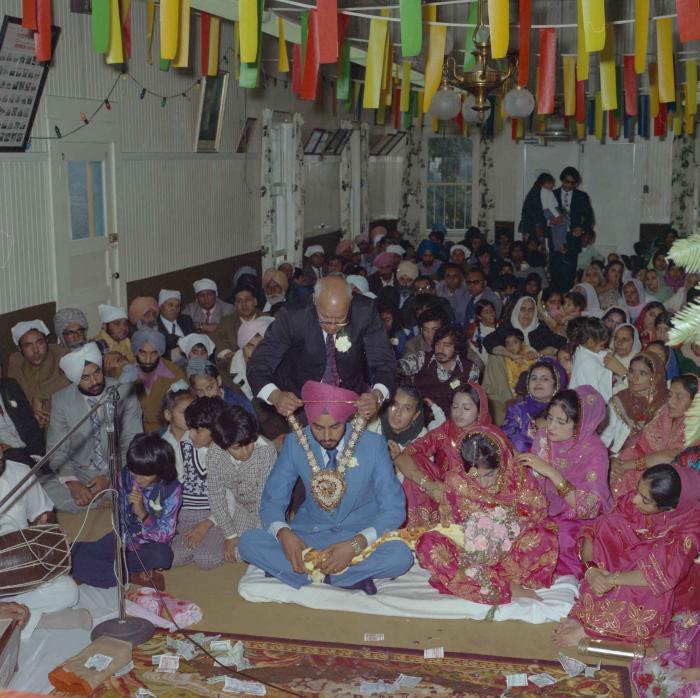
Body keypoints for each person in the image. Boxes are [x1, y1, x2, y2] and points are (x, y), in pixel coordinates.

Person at [238, 381, 414, 593]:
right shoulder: (296, 443)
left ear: (347, 419)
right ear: (309, 422)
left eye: (335, 426)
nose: (327, 436)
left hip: (358, 536)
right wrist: (285, 535)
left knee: (400, 556)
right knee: (248, 541)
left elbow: (394, 509)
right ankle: (345, 578)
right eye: (318, 428)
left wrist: (355, 545)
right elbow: (272, 500)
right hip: (310, 535)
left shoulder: (373, 444)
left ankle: (308, 574)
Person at [554, 464, 700, 649]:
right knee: (611, 527)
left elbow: (660, 575)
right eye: (638, 490)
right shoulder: (632, 502)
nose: (635, 500)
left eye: (645, 500)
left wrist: (611, 579)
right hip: (619, 570)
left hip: (665, 581)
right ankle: (591, 616)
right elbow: (594, 532)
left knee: (652, 585)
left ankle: (595, 628)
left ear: (669, 508)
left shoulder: (689, 528)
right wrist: (591, 570)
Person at [415, 428, 558, 605]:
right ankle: (504, 586)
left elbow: (538, 514)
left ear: (502, 463)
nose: (483, 483)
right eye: (475, 475)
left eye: (490, 474)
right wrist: (475, 539)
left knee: (544, 537)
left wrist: (504, 530)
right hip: (471, 553)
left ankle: (484, 580)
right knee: (427, 543)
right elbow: (450, 525)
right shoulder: (456, 481)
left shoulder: (518, 478)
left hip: (510, 551)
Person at [247, 274, 396, 423]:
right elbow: (258, 364)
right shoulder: (292, 316)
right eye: (324, 318)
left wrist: (377, 395)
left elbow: (384, 361)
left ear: (350, 302)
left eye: (340, 320)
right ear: (314, 301)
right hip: (299, 401)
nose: (332, 326)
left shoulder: (365, 311)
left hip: (349, 397)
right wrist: (276, 396)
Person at [517, 386, 612, 578]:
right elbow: (532, 484)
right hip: (541, 508)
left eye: (561, 422)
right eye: (550, 418)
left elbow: (590, 508)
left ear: (580, 424)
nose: (551, 427)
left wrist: (552, 473)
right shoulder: (544, 437)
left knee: (555, 541)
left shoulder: (595, 452)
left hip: (577, 519)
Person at [71, 432, 182, 590]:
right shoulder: (125, 476)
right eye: (134, 473)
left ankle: (97, 572)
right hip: (124, 537)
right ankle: (129, 575)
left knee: (163, 557)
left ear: (160, 469)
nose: (138, 479)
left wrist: (143, 513)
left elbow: (165, 534)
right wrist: (125, 542)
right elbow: (120, 517)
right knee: (72, 554)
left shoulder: (171, 489)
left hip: (151, 543)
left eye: (145, 476)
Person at [43, 343, 142, 513]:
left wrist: (110, 477)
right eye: (85, 377)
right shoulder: (61, 400)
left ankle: (97, 499)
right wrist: (73, 483)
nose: (95, 381)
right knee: (44, 487)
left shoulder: (122, 390)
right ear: (74, 380)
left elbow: (133, 440)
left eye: (97, 372)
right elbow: (57, 448)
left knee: (146, 485)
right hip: (81, 472)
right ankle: (98, 502)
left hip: (119, 467)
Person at [0, 445, 85, 640]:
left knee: (68, 590)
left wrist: (46, 529)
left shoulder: (19, 472)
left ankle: (17, 617)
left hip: (21, 569)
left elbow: (44, 512)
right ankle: (31, 619)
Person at [395, 383, 493, 527]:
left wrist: (452, 491)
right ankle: (419, 528)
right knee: (414, 460)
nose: (458, 413)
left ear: (480, 411)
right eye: (455, 407)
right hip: (438, 490)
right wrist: (428, 484)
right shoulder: (446, 429)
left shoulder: (491, 438)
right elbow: (409, 453)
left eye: (466, 408)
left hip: (473, 496)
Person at [206, 406, 277, 564]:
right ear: (224, 445)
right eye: (237, 448)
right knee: (231, 553)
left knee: (250, 550)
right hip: (241, 509)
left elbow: (264, 498)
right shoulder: (214, 453)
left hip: (266, 510)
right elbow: (216, 495)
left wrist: (258, 536)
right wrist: (230, 535)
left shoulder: (266, 451)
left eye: (249, 443)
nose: (245, 452)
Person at [610, 374, 699, 500]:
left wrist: (625, 466)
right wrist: (614, 460)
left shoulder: (695, 431)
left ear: (695, 401)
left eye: (679, 396)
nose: (670, 401)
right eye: (670, 395)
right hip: (630, 463)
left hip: (661, 482)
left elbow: (672, 456)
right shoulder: (664, 414)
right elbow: (637, 440)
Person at [171, 396, 229, 569]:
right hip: (188, 516)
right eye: (190, 429)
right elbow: (175, 482)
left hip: (217, 519)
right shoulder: (182, 447)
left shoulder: (227, 452)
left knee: (206, 560)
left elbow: (230, 499)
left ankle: (220, 541)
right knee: (171, 558)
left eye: (198, 430)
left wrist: (205, 526)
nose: (191, 434)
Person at [398, 325, 479, 414]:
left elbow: (471, 402)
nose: (440, 349)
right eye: (438, 344)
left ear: (457, 348)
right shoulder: (422, 358)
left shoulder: (470, 369)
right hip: (419, 416)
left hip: (450, 421)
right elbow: (399, 366)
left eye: (446, 345)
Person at [7, 321, 69, 428]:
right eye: (28, 346)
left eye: (40, 343)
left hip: (63, 420)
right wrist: (30, 416)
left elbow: (76, 375)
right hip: (29, 423)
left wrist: (40, 396)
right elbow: (12, 397)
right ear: (20, 349)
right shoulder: (15, 361)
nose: (36, 351)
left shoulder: (61, 353)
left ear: (47, 341)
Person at [605, 352, 669, 453]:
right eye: (631, 371)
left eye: (642, 373)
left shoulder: (664, 404)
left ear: (655, 378)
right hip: (618, 458)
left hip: (652, 458)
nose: (634, 378)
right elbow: (606, 437)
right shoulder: (620, 400)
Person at [502, 358, 568, 453]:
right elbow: (505, 439)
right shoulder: (517, 410)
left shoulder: (564, 411)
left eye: (544, 378)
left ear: (556, 384)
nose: (538, 382)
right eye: (534, 378)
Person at [367, 386, 446, 461]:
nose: (398, 413)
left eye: (406, 409)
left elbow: (423, 473)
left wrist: (400, 460)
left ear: (415, 415)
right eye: (394, 405)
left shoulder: (423, 441)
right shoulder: (373, 423)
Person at [131, 328, 186, 432]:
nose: (148, 360)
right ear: (135, 352)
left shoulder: (175, 374)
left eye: (153, 353)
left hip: (166, 433)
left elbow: (181, 412)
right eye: (143, 353)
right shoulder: (122, 375)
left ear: (160, 353)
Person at [0, 355, 45, 466]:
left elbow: (29, 422)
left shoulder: (9, 386)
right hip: (7, 459)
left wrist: (37, 454)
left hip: (29, 449)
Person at [210, 285, 266, 361]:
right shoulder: (227, 321)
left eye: (247, 300)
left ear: (255, 301)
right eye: (239, 301)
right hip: (233, 364)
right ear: (235, 305)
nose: (244, 304)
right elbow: (216, 339)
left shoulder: (266, 319)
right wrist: (226, 353)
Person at [187, 359, 255, 416]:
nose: (206, 395)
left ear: (219, 380)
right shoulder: (198, 410)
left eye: (209, 388)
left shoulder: (240, 404)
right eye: (200, 391)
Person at [156, 289, 195, 361]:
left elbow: (196, 339)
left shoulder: (186, 320)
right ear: (160, 306)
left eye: (177, 306)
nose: (174, 309)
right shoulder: (154, 326)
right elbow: (157, 355)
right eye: (170, 305)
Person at [466, 299, 498, 367]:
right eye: (486, 312)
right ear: (479, 316)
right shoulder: (477, 329)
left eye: (492, 310)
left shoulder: (500, 328)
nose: (491, 313)